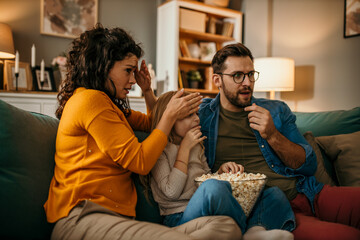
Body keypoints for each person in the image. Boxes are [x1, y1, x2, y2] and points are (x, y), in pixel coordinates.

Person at [43, 24, 242, 240]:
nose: (132, 80)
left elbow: (151, 124)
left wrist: (148, 91)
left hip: (117, 220)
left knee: (227, 227)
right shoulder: (90, 100)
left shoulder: (111, 107)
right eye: (128, 70)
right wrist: (170, 114)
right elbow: (140, 161)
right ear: (102, 66)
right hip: (83, 216)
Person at [198, 42, 360, 239]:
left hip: (309, 192)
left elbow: (308, 165)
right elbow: (163, 116)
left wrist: (273, 134)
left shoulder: (276, 110)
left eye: (251, 74)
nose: (247, 83)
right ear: (217, 80)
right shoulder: (202, 115)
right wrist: (148, 92)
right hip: (274, 209)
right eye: (237, 76)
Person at [144, 90, 295, 240]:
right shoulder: (160, 149)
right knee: (213, 187)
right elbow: (171, 192)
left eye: (196, 114)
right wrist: (184, 149)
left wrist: (221, 172)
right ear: (170, 119)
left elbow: (204, 179)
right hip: (179, 219)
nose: (197, 119)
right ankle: (243, 231)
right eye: (189, 115)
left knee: (272, 193)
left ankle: (254, 230)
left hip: (208, 213)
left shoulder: (197, 145)